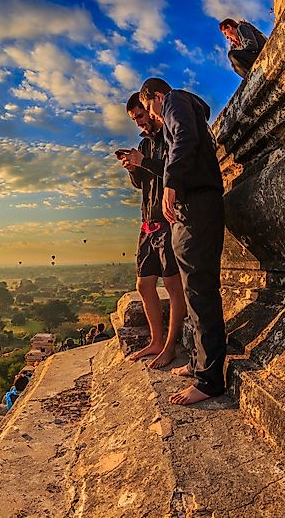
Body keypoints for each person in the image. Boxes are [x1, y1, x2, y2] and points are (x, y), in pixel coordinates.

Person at [139, 77, 226, 406]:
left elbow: (184, 139)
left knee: (200, 289)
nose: (155, 118)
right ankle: (199, 362)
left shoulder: (174, 100)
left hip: (197, 203)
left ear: (157, 97)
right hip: (196, 205)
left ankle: (210, 379)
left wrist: (171, 183)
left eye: (150, 109)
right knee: (193, 289)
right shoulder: (185, 108)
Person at [119, 93, 187, 369]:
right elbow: (142, 183)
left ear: (149, 110)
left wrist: (143, 161)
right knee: (144, 284)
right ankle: (156, 340)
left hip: (168, 220)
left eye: (140, 116)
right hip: (148, 223)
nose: (139, 123)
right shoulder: (144, 144)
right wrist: (134, 167)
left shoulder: (169, 138)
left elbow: (173, 171)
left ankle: (170, 346)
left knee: (172, 285)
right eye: (135, 119)